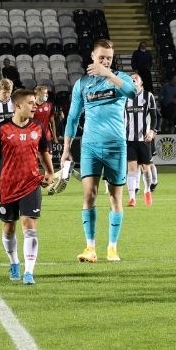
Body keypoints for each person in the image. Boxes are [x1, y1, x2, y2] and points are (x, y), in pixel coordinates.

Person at [59, 39, 136, 263]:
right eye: (101, 57)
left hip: (116, 147)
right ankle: (89, 248)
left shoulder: (119, 78)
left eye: (109, 58)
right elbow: (73, 118)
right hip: (90, 146)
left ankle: (112, 248)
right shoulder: (82, 84)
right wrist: (66, 149)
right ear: (92, 56)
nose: (105, 61)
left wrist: (108, 74)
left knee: (115, 197)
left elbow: (132, 93)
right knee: (89, 195)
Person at [0, 89, 54, 285]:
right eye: (31, 103)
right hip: (7, 185)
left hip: (31, 183)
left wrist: (49, 172)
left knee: (29, 226)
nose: (35, 106)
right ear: (18, 106)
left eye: (35, 103)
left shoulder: (39, 127)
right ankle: (14, 262)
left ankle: (29, 272)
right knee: (9, 228)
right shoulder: (1, 129)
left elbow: (44, 152)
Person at [124, 72, 158, 207]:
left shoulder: (148, 96)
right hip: (129, 139)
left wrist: (152, 131)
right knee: (131, 168)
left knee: (146, 169)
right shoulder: (125, 98)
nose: (133, 80)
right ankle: (132, 198)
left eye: (135, 79)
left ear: (141, 82)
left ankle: (147, 190)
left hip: (144, 139)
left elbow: (155, 117)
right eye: (130, 79)